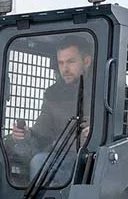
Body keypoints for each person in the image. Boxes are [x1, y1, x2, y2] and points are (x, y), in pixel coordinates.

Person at [10, 34, 93, 179]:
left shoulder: (109, 89)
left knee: (41, 162)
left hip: (95, 161)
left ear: (86, 61)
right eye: (61, 63)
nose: (65, 69)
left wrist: (98, 132)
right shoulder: (53, 94)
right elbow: (42, 132)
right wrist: (26, 134)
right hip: (62, 159)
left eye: (71, 62)